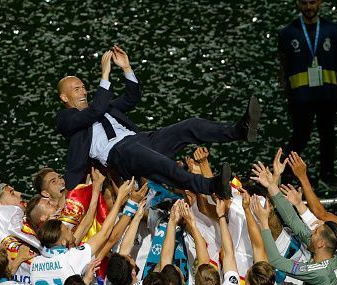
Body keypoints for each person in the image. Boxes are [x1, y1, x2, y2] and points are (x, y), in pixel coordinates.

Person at [56, 45, 261, 197]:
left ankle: (239, 130)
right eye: (76, 89)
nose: (83, 91)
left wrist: (126, 68)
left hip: (141, 139)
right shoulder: (66, 119)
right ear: (64, 98)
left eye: (83, 87)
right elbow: (94, 112)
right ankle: (210, 186)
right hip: (120, 154)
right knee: (160, 163)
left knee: (189, 126)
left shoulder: (104, 108)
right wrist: (105, 74)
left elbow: (131, 97)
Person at [278, 0, 337, 184]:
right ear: (298, 3)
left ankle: (327, 174)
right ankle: (284, 171)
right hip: (301, 96)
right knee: (300, 135)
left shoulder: (332, 30)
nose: (309, 7)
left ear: (320, 2)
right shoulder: (287, 33)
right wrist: (286, 92)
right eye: (304, 3)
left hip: (328, 93)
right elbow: (282, 66)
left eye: (312, 2)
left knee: (328, 134)